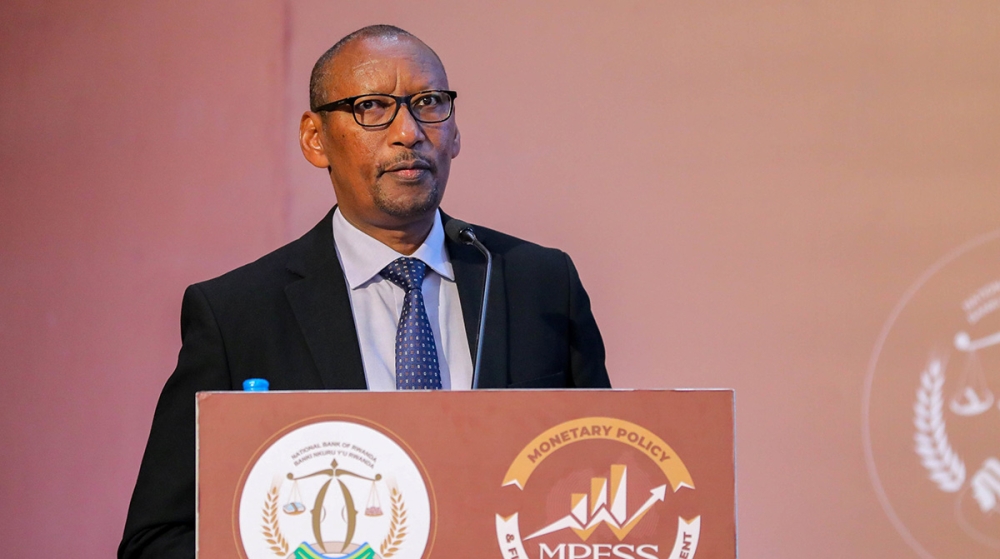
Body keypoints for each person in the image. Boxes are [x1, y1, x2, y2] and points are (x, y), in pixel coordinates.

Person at [118, 24, 610, 558]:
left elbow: (601, 483)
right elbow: (157, 540)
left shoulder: (537, 282)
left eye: (428, 103)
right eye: (373, 107)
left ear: (456, 131)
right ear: (315, 138)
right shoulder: (239, 316)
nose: (409, 132)